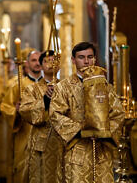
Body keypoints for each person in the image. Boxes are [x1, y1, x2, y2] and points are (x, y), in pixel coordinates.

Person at [49, 42, 124, 182]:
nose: (86, 61)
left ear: (95, 59)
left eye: (90, 57)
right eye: (81, 57)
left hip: (101, 152)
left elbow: (118, 113)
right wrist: (82, 130)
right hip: (78, 151)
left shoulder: (105, 86)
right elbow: (55, 114)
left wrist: (104, 131)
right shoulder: (63, 87)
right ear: (73, 60)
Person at [19, 50, 63, 183]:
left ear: (59, 64)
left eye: (53, 60)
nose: (50, 63)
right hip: (42, 143)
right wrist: (45, 101)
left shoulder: (67, 87)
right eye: (46, 60)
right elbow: (25, 111)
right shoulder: (32, 89)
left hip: (64, 142)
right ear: (41, 65)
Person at [0, 50, 42, 182]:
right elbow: (5, 106)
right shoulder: (18, 85)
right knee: (21, 170)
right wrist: (16, 110)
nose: (37, 63)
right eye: (33, 60)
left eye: (39, 60)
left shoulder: (50, 85)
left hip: (43, 137)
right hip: (23, 135)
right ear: (27, 63)